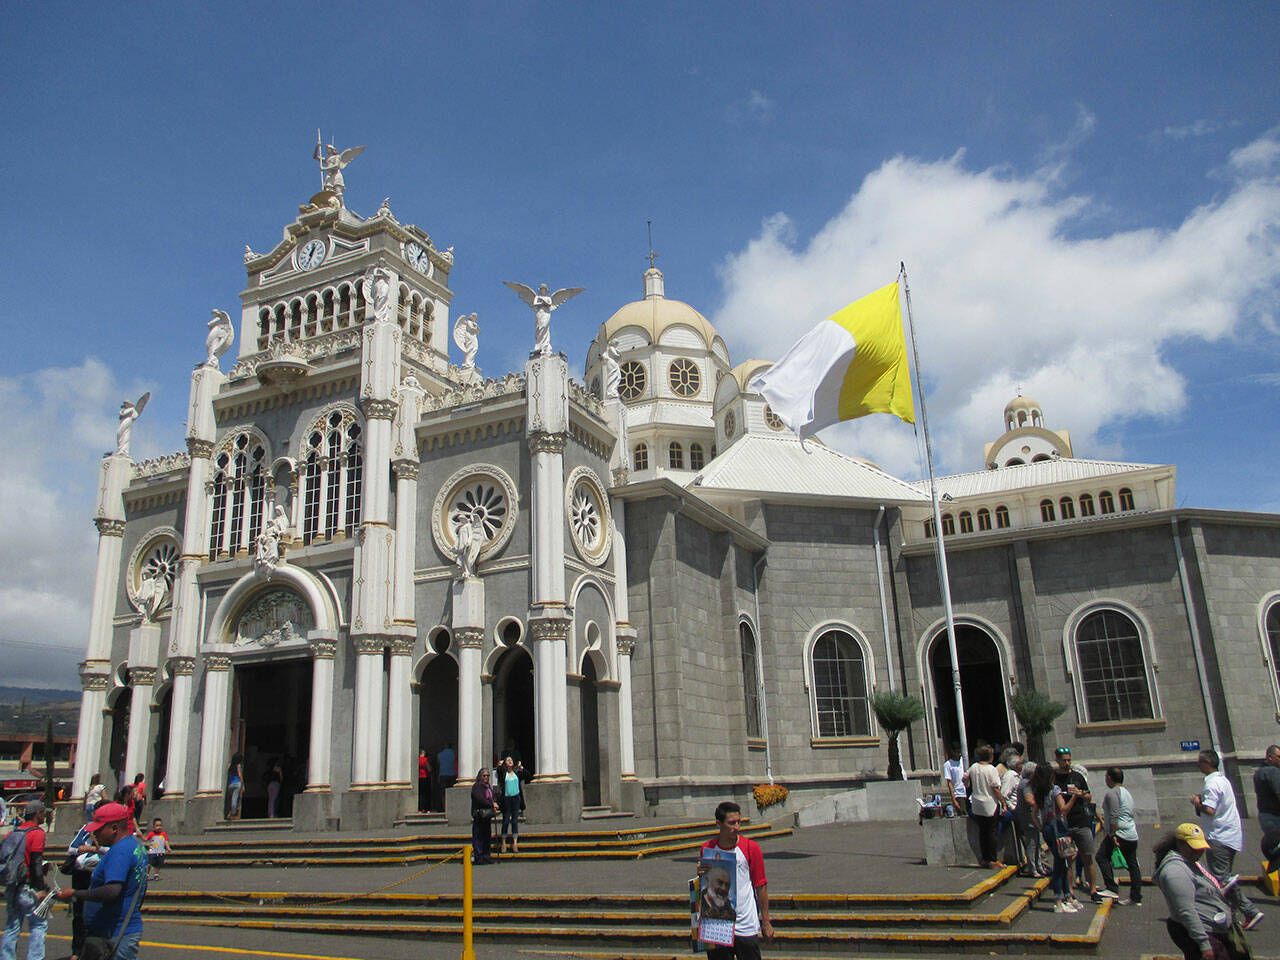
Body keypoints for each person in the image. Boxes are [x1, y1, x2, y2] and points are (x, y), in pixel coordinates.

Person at [56, 802, 147, 960]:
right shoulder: (135, 846)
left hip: (115, 933)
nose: (94, 833)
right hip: (122, 928)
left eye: (99, 828)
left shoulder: (120, 851)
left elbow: (112, 891)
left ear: (114, 828)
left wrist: (76, 894)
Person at [1154, 823, 1254, 960]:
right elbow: (1186, 911)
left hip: (1213, 928)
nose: (1198, 852)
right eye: (1193, 848)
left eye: (1200, 848)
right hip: (1203, 931)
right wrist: (1204, 945)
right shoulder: (1175, 872)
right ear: (1180, 844)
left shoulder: (1191, 861)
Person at [1193, 749, 1263, 929]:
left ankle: (1249, 911)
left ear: (1208, 763)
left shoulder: (1212, 784)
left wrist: (1196, 802)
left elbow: (1209, 809)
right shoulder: (1222, 780)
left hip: (1219, 836)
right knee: (1223, 878)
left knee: (1219, 880)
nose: (1198, 765)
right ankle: (1231, 915)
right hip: (1229, 835)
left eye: (1200, 762)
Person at [698, 802, 773, 959]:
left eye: (739, 822)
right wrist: (700, 873)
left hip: (745, 925)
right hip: (717, 926)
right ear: (719, 824)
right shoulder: (708, 849)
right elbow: (705, 885)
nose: (737, 827)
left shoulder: (751, 848)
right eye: (731, 823)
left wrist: (765, 921)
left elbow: (761, 886)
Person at [1052, 746, 1102, 903]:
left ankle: (1093, 889)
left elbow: (1089, 795)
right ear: (1058, 761)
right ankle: (1070, 890)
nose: (1067, 763)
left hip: (1081, 822)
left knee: (1087, 857)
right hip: (1064, 824)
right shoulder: (1053, 779)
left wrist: (1081, 795)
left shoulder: (1077, 777)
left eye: (1069, 760)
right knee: (1068, 860)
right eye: (1064, 760)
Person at [2, 800, 49, 960]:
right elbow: (36, 861)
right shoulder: (37, 833)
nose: (44, 815)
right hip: (28, 888)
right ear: (37, 814)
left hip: (12, 885)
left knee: (12, 926)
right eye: (43, 812)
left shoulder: (13, 833)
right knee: (38, 925)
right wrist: (41, 888)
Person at [1029, 763, 1078, 913]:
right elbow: (1063, 810)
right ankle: (1058, 898)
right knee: (1060, 863)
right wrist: (1074, 796)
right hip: (1058, 827)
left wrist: (1040, 826)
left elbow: (1034, 813)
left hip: (1047, 827)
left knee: (1061, 861)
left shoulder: (1038, 791)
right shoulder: (1054, 790)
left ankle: (1067, 896)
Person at [64, 803, 105, 958]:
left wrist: (95, 845)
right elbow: (72, 848)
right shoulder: (86, 829)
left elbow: (108, 851)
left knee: (94, 915)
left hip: (98, 876)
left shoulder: (108, 832)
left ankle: (93, 951)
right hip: (81, 875)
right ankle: (77, 950)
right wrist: (90, 848)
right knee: (79, 915)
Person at [1095, 767, 1141, 904]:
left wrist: (1112, 834)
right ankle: (1136, 897)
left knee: (1101, 857)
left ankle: (1111, 888)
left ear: (1109, 777)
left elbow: (1114, 815)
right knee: (1133, 865)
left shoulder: (1112, 794)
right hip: (1131, 833)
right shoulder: (1126, 793)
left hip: (1119, 833)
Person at [963, 745, 1006, 868]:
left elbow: (965, 778)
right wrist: (1002, 801)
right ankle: (993, 859)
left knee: (982, 832)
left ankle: (985, 858)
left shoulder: (974, 767)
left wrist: (969, 785)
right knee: (992, 832)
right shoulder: (991, 769)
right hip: (990, 804)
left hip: (977, 803)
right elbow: (995, 787)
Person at [1016, 760, 1046, 878]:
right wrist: (1040, 804)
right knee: (1032, 843)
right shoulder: (1026, 784)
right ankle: (1033, 868)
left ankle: (1038, 866)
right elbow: (1029, 800)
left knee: (1037, 842)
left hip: (1031, 817)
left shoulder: (1027, 783)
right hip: (1028, 817)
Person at [470, 769, 497, 865]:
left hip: (487, 815)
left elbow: (492, 797)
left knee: (487, 836)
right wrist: (491, 803)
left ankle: (486, 856)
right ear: (480, 776)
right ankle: (479, 856)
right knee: (478, 836)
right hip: (479, 815)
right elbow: (479, 799)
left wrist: (494, 801)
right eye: (484, 776)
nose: (486, 778)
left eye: (488, 776)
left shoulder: (488, 787)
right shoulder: (477, 786)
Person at [498, 757, 524, 856]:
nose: (510, 761)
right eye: (508, 760)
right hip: (506, 799)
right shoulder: (504, 773)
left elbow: (527, 775)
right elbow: (499, 772)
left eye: (511, 760)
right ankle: (503, 843)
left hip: (516, 798)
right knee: (505, 820)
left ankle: (515, 843)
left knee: (515, 820)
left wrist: (521, 767)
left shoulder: (517, 772)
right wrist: (500, 765)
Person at [1253, 744, 1280, 838]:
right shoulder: (1273, 771)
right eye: (1279, 757)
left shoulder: (1259, 772)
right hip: (1275, 817)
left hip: (1265, 816)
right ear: (1270, 757)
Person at [942, 744, 968, 816]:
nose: (959, 754)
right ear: (953, 752)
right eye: (957, 752)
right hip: (959, 794)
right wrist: (954, 800)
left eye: (960, 752)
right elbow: (949, 783)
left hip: (967, 792)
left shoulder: (964, 760)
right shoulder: (948, 765)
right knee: (963, 814)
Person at [437, 742, 457, 809]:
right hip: (452, 774)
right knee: (451, 791)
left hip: (443, 775)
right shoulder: (453, 753)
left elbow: (438, 763)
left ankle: (444, 808)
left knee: (443, 793)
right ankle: (451, 807)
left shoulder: (440, 754)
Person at [226, 753, 244, 820]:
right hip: (237, 784)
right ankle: (233, 814)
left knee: (230, 799)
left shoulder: (230, 765)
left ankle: (229, 813)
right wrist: (242, 784)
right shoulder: (238, 765)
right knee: (235, 799)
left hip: (230, 784)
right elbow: (239, 775)